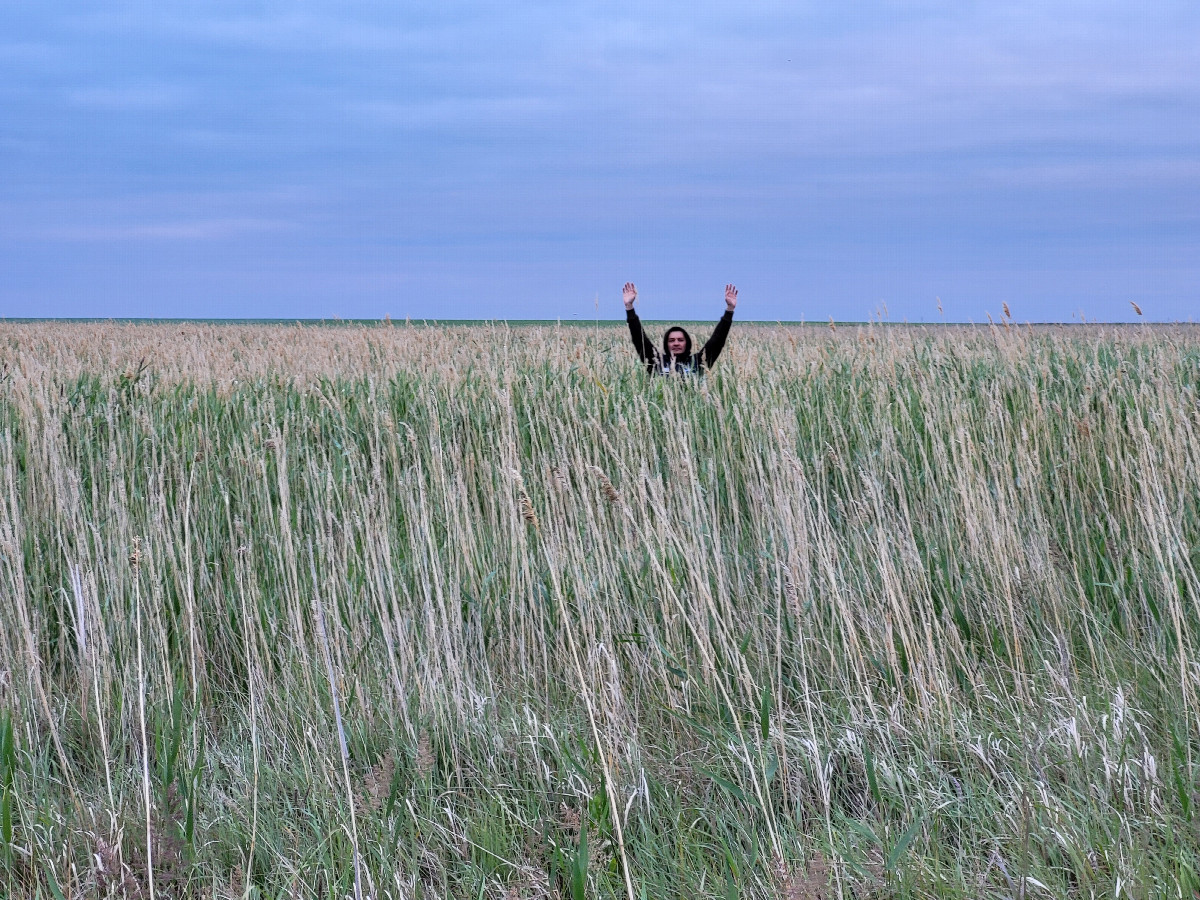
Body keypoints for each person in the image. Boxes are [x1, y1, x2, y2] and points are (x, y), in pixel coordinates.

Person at [622, 282, 737, 376]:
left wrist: (730, 309)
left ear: (687, 343)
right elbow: (639, 338)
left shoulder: (698, 362)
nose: (676, 343)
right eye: (671, 340)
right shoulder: (656, 361)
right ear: (666, 344)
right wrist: (629, 307)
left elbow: (717, 340)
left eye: (680, 340)